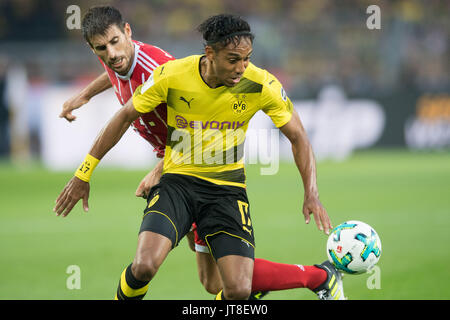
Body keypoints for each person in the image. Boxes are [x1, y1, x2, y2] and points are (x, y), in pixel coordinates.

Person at [55, 10, 344, 300]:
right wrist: (85, 102)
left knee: (225, 285)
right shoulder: (164, 71)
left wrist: (312, 192)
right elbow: (124, 108)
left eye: (247, 58)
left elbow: (298, 136)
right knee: (152, 267)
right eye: (233, 60)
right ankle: (316, 277)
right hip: (179, 182)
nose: (242, 68)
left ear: (128, 33)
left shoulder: (258, 83)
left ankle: (318, 277)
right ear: (209, 54)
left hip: (223, 189)